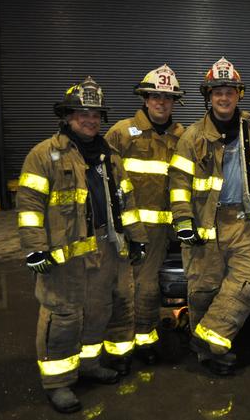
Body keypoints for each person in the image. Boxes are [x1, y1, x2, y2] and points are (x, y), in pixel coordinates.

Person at [16, 77, 148, 413]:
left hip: (104, 249)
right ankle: (58, 382)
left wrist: (137, 238)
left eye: (94, 114)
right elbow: (29, 202)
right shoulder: (44, 155)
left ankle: (88, 365)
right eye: (81, 113)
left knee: (98, 311)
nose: (89, 119)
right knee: (63, 316)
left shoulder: (109, 156)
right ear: (67, 116)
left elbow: (126, 200)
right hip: (63, 257)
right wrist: (34, 247)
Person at [169, 57, 250, 375]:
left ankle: (206, 338)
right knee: (203, 289)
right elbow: (179, 182)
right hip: (204, 220)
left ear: (239, 95)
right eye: (217, 92)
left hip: (242, 221)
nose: (224, 97)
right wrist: (183, 219)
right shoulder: (192, 138)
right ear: (208, 96)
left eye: (230, 91)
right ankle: (212, 354)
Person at [104, 65, 185, 375]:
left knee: (148, 289)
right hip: (126, 228)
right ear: (145, 98)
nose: (161, 103)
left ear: (174, 101)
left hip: (162, 232)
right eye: (155, 96)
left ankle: (145, 341)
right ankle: (118, 349)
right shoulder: (122, 133)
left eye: (167, 97)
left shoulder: (182, 136)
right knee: (121, 289)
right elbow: (106, 181)